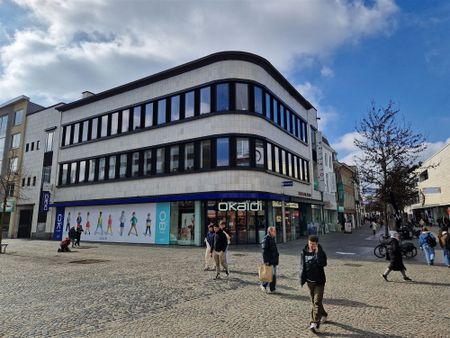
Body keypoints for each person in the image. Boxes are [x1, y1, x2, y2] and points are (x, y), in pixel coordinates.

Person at [300, 235, 328, 333]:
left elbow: (323, 264)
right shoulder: (304, 252)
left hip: (319, 282)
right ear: (308, 242)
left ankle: (314, 323)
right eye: (310, 243)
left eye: (313, 244)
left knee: (316, 302)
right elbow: (302, 266)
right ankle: (324, 314)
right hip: (309, 281)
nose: (311, 246)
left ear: (317, 244)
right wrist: (302, 277)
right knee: (315, 302)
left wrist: (318, 253)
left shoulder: (321, 252)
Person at [260, 226, 279, 293]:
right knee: (269, 274)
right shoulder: (266, 239)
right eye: (274, 231)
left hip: (273, 260)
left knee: (273, 275)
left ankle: (272, 289)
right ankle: (263, 285)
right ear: (270, 231)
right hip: (269, 260)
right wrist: (266, 261)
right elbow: (264, 251)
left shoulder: (272, 238)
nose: (275, 232)